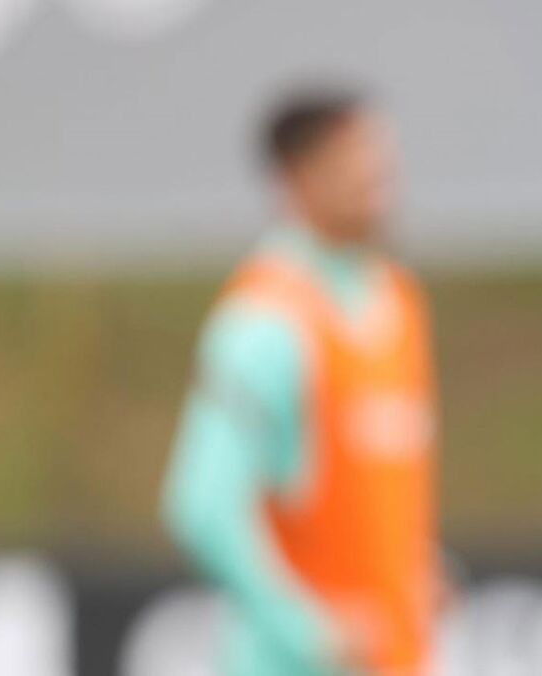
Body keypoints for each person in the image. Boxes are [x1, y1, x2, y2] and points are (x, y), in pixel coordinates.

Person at [163, 87, 439, 676]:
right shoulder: (265, 321)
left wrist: (420, 568)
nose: (378, 174)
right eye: (355, 158)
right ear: (298, 177)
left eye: (380, 155)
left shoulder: (395, 298)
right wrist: (302, 627)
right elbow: (201, 506)